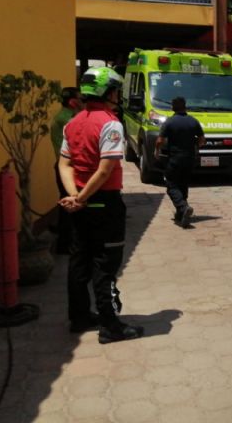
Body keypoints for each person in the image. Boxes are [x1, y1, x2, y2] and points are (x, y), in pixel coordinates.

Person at [58, 67, 144, 344]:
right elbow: (105, 169)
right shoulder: (110, 123)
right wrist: (82, 200)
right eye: (116, 90)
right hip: (103, 203)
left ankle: (79, 316)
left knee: (79, 260)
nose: (118, 95)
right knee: (105, 265)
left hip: (80, 201)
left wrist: (74, 197)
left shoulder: (72, 123)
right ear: (108, 93)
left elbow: (64, 163)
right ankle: (110, 325)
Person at [155, 97, 205, 228]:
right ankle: (181, 213)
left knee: (171, 185)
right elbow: (201, 140)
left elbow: (160, 140)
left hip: (175, 159)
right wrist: (196, 146)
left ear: (173, 107)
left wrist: (157, 150)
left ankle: (183, 207)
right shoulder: (193, 121)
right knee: (183, 184)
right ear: (185, 107)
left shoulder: (169, 122)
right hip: (189, 159)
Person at [50, 86, 83, 253]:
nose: (84, 102)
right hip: (67, 168)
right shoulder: (68, 120)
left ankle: (65, 241)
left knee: (67, 203)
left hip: (65, 166)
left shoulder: (64, 115)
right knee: (70, 205)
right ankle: (64, 244)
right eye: (81, 99)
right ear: (72, 102)